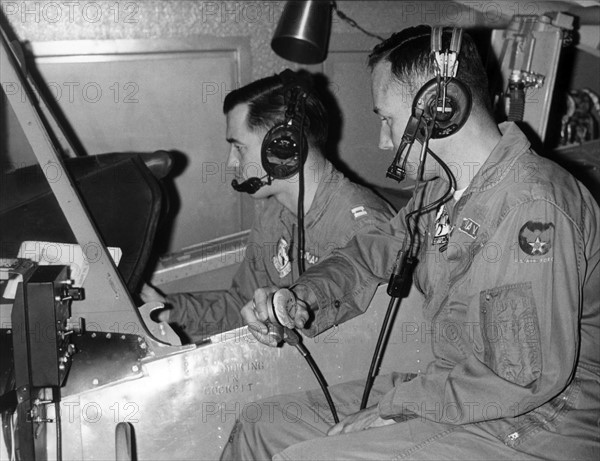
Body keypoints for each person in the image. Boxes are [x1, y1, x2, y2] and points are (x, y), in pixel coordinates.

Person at [223, 26, 600, 460]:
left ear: (441, 109)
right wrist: (300, 295)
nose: (384, 142)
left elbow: (519, 377)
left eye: (387, 119)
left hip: (536, 424)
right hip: (457, 390)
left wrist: (395, 410)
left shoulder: (532, 205)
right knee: (262, 427)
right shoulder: (441, 192)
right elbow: (369, 253)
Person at [141, 70, 395, 342]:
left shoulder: (364, 225)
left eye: (238, 148)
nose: (231, 163)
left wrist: (297, 299)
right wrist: (171, 313)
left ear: (284, 148)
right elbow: (242, 303)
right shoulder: (274, 213)